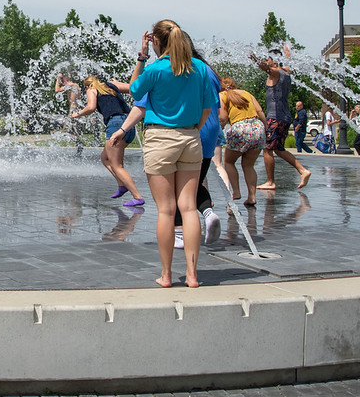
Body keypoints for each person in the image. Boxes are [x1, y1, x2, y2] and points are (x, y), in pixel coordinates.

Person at [126, 20, 217, 288]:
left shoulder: (155, 69)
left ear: (156, 42)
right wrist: (191, 130)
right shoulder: (199, 68)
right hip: (190, 138)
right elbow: (207, 109)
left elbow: (134, 90)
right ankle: (192, 275)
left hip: (160, 139)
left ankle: (166, 275)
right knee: (189, 208)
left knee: (166, 211)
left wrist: (141, 58)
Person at [71, 76, 145, 207]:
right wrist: (118, 83)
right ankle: (122, 185)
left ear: (87, 86)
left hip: (115, 124)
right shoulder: (110, 86)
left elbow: (91, 107)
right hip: (129, 124)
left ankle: (137, 196)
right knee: (105, 157)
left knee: (117, 165)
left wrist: (78, 114)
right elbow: (133, 88)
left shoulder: (92, 89)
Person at [251, 49, 312, 190]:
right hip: (285, 117)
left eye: (269, 59)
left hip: (275, 117)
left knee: (267, 149)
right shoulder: (287, 72)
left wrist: (254, 59)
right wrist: (287, 53)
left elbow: (266, 68)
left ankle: (270, 182)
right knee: (278, 149)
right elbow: (287, 64)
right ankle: (303, 171)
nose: (267, 61)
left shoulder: (276, 73)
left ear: (274, 60)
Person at [218, 77, 266, 206]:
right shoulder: (246, 93)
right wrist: (265, 128)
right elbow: (260, 111)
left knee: (229, 161)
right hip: (257, 127)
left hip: (240, 129)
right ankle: (252, 197)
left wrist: (219, 127)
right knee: (249, 165)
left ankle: (237, 192)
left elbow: (223, 117)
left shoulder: (222, 95)